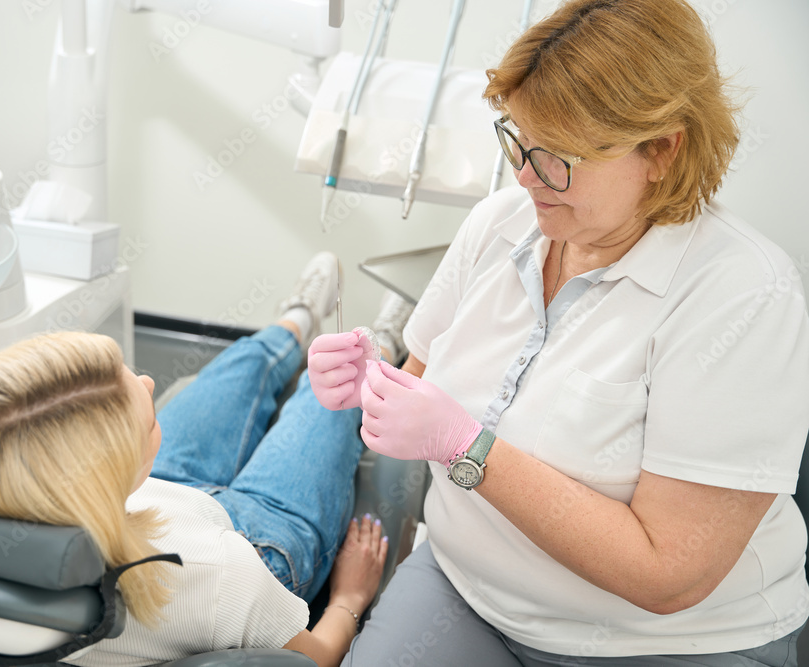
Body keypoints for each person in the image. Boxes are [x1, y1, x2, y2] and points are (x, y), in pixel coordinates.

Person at [308, 1, 809, 665]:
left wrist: (470, 447)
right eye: (518, 139)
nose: (524, 176)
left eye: (557, 158)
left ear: (660, 150)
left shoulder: (743, 296)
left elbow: (668, 575)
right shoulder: (500, 224)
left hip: (660, 642)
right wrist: (365, 380)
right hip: (467, 589)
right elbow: (416, 383)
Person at [0, 252, 416, 667]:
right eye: (140, 410)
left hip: (160, 490)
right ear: (100, 474)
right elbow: (315, 657)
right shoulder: (222, 577)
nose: (149, 382)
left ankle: (295, 320)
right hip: (259, 541)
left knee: (235, 369)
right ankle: (379, 347)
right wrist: (351, 596)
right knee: (325, 399)